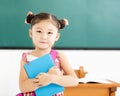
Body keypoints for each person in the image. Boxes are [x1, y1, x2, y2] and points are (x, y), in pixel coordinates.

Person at [18, 11, 78, 96]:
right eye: (39, 31)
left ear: (56, 36)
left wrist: (52, 78)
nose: (44, 37)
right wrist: (42, 80)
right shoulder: (26, 57)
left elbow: (74, 81)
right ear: (31, 33)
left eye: (49, 33)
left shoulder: (59, 56)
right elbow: (23, 86)